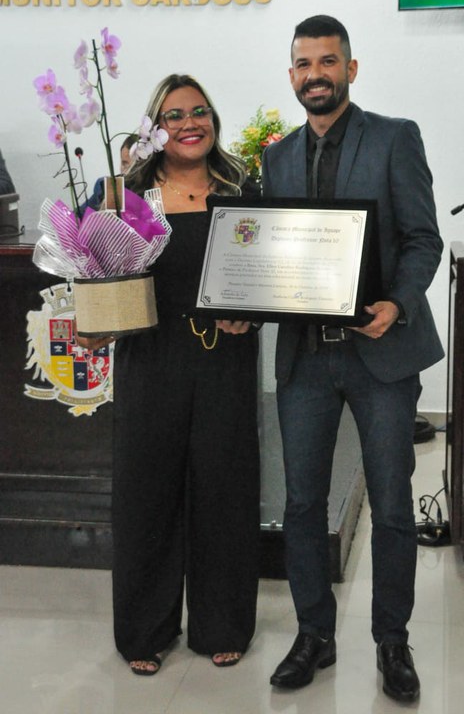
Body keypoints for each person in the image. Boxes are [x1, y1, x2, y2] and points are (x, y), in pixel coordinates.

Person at [261, 15, 444, 702]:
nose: (316, 74)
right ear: (292, 75)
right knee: (303, 504)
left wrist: (397, 302)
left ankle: (392, 641)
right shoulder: (277, 158)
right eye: (304, 64)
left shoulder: (395, 138)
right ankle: (315, 634)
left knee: (392, 505)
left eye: (328, 61)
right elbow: (274, 254)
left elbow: (424, 239)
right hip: (306, 360)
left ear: (351, 68)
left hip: (382, 356)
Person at [78, 74, 260, 675]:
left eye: (200, 111)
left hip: (224, 359)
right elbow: (90, 269)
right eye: (174, 115)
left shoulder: (241, 189)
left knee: (224, 491)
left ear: (213, 121)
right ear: (154, 128)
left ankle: (222, 625)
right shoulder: (124, 196)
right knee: (146, 494)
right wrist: (95, 318)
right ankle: (144, 631)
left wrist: (252, 314)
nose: (190, 123)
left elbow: (266, 273)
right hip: (150, 357)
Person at [83, 134, 137, 210]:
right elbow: (78, 214)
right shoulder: (103, 187)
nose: (128, 171)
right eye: (124, 163)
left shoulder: (150, 197)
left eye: (134, 167)